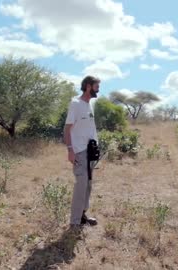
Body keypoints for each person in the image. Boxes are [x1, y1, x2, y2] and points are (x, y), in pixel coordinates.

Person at [64, 75, 100, 229]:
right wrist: (70, 150)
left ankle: (82, 215)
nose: (98, 89)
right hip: (79, 151)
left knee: (88, 185)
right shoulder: (76, 103)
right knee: (81, 185)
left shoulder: (89, 105)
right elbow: (67, 129)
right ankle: (74, 222)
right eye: (96, 86)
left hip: (91, 151)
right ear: (88, 86)